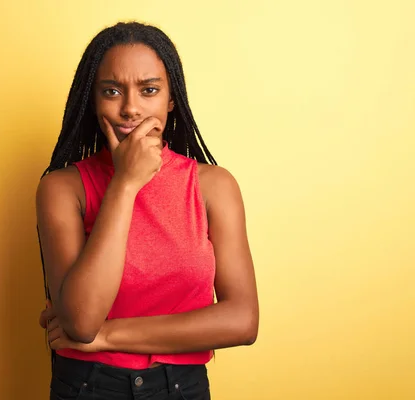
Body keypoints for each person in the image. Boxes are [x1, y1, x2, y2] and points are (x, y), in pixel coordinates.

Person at [35, 21, 259, 400]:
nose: (130, 109)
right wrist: (125, 183)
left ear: (172, 100)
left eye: (149, 90)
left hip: (180, 388)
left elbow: (242, 320)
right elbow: (82, 320)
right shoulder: (62, 188)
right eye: (111, 91)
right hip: (88, 387)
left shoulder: (213, 186)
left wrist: (109, 335)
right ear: (93, 100)